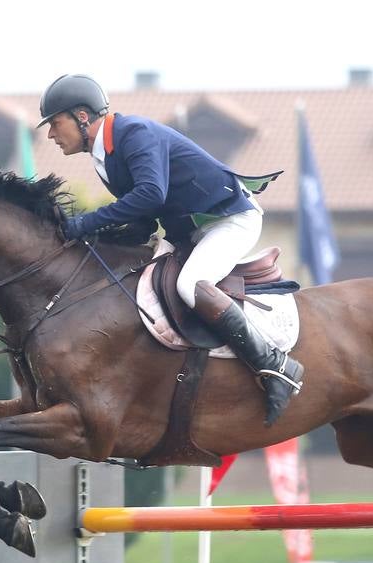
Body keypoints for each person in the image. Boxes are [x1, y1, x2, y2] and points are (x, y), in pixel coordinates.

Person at [38, 73, 304, 427]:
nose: (51, 135)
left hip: (228, 220)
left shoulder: (133, 134)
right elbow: (145, 218)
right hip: (189, 229)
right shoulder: (105, 156)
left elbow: (151, 195)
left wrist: (86, 223)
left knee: (190, 285)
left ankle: (275, 365)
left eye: (55, 123)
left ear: (82, 117)